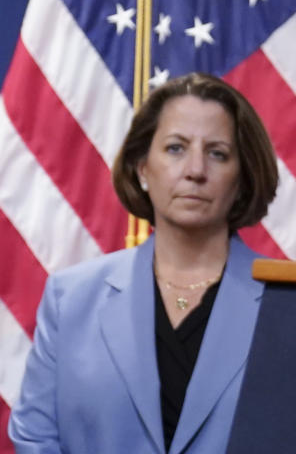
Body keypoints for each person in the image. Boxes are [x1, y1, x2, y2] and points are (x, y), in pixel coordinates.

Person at [9, 73, 278, 453]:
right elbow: (35, 439)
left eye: (217, 153)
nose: (195, 170)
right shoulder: (70, 299)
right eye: (175, 148)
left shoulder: (285, 304)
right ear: (141, 168)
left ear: (242, 180)